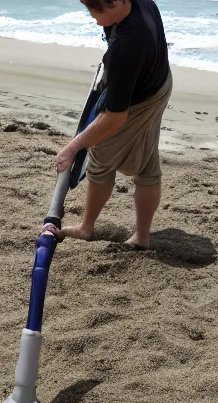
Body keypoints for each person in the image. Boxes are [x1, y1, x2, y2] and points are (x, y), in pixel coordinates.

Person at [53, 0, 172, 249]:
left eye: (96, 10)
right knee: (147, 162)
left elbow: (115, 117)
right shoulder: (141, 3)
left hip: (142, 101)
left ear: (117, 2)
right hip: (160, 82)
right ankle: (138, 235)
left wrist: (73, 147)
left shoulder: (127, 47)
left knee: (101, 158)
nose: (93, 18)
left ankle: (89, 228)